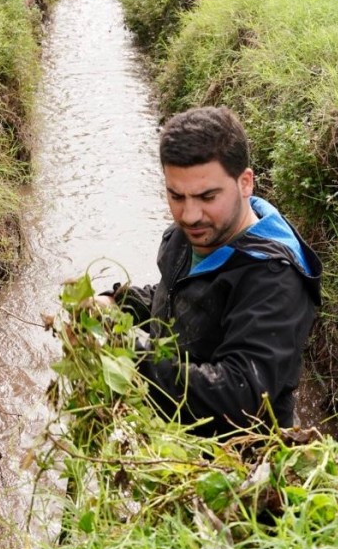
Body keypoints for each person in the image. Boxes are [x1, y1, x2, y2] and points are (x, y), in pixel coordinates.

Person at [101, 106, 322, 437]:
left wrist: (128, 352)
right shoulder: (197, 233)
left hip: (233, 467)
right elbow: (178, 296)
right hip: (171, 439)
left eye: (207, 196)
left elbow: (240, 395)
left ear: (245, 183)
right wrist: (119, 304)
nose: (189, 215)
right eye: (176, 196)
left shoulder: (275, 279)